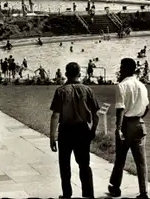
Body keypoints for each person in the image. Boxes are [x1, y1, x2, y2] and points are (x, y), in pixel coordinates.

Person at [49, 62, 99, 198]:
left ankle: (67, 194)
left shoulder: (61, 91)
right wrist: (93, 130)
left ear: (66, 74)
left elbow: (55, 115)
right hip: (82, 129)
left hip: (66, 130)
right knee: (84, 164)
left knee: (64, 164)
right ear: (80, 74)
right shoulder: (87, 90)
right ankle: (88, 194)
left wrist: (52, 137)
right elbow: (96, 115)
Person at [108, 58, 149, 199]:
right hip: (139, 123)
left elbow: (120, 109)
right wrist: (139, 116)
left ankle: (115, 187)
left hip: (126, 124)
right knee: (141, 161)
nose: (120, 70)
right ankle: (144, 191)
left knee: (120, 157)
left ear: (125, 69)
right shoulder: (142, 85)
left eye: (121, 67)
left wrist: (118, 128)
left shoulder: (122, 86)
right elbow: (147, 107)